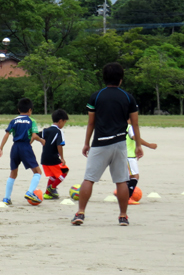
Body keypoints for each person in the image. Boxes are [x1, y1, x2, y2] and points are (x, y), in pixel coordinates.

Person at [72, 62, 141, 226]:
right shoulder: (128, 97)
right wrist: (138, 145)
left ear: (104, 79)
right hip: (119, 144)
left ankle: (80, 213)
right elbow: (135, 124)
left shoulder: (96, 96)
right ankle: (123, 216)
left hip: (100, 142)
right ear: (121, 80)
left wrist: (86, 143)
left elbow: (91, 123)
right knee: (121, 180)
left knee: (89, 179)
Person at [0, 98, 45, 206]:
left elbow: (7, 134)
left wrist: (1, 148)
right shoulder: (31, 121)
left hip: (15, 147)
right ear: (30, 110)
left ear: (18, 110)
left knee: (13, 173)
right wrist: (41, 141)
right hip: (25, 146)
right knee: (37, 172)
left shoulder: (14, 121)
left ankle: (6, 198)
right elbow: (34, 135)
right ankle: (30, 192)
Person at [40, 109, 69, 200]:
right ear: (60, 121)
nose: (64, 124)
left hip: (44, 158)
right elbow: (59, 145)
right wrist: (62, 158)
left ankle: (47, 194)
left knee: (53, 175)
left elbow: (35, 135)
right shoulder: (58, 131)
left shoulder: (45, 130)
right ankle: (52, 188)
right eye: (64, 122)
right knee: (65, 171)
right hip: (53, 158)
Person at [126, 122, 157, 204]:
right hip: (129, 156)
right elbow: (135, 137)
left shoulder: (119, 126)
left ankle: (120, 193)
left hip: (120, 155)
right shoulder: (129, 127)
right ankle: (127, 197)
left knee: (126, 176)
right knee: (135, 176)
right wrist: (149, 145)